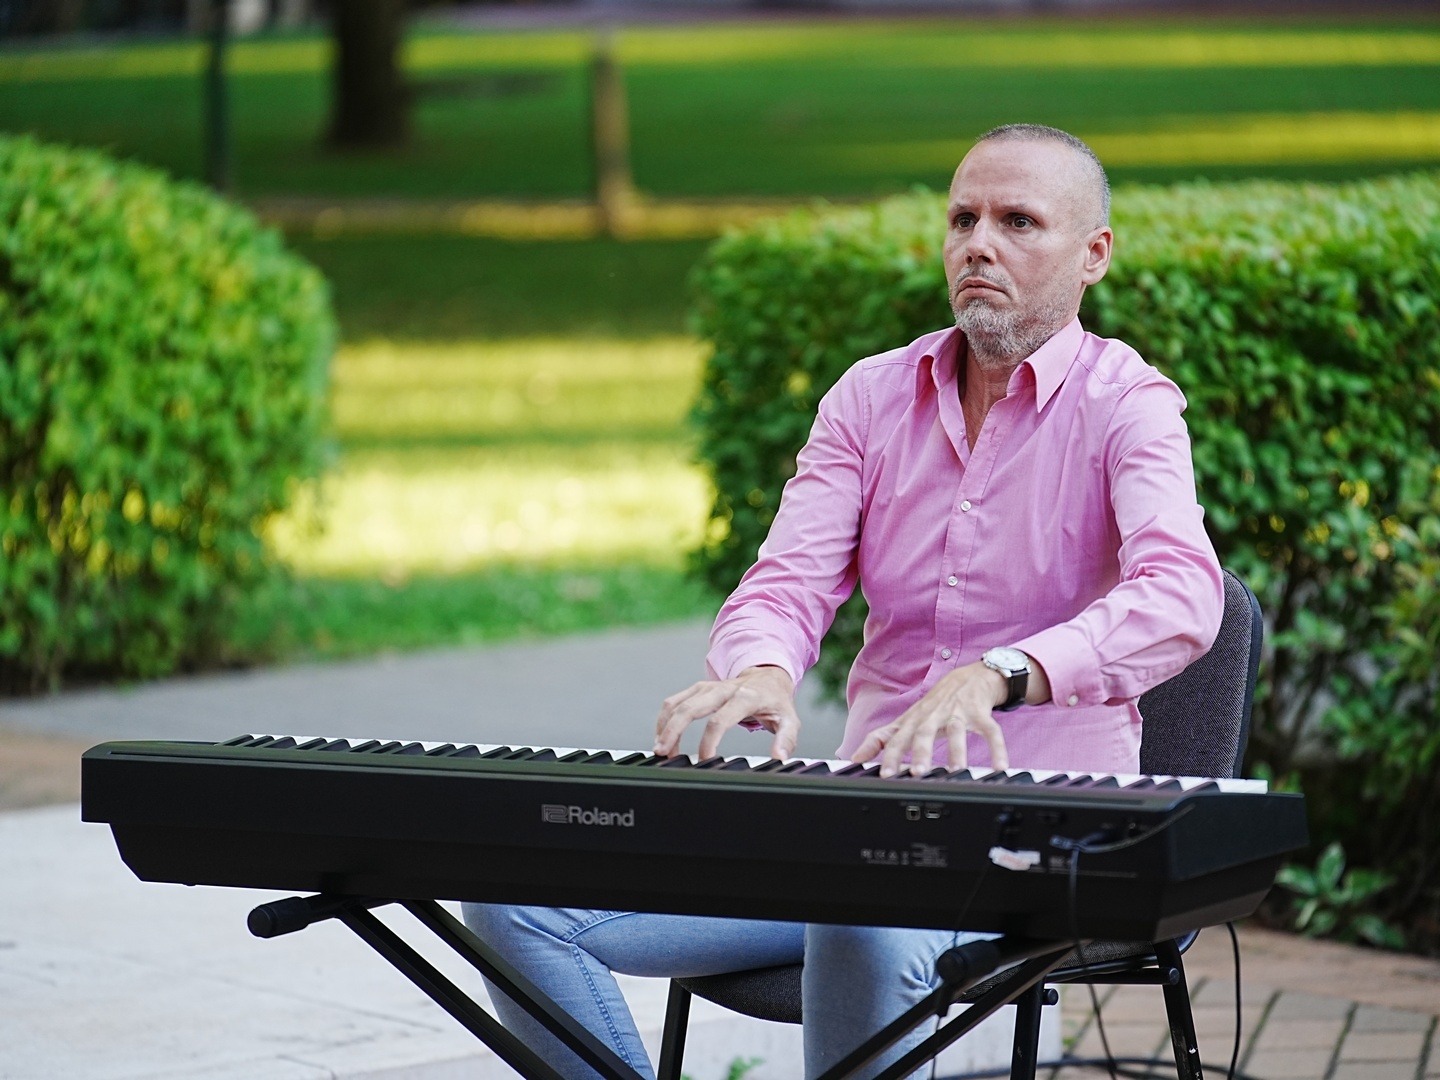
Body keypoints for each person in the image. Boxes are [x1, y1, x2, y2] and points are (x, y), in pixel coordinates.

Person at [464, 123, 1224, 1080]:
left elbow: (1183, 594)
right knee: (513, 904)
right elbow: (788, 579)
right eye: (963, 219)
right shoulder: (870, 398)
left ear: (1093, 255)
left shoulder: (1129, 403)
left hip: (1040, 839)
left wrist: (1003, 673)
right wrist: (762, 669)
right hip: (862, 827)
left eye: (1018, 222)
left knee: (862, 919)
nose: (978, 245)